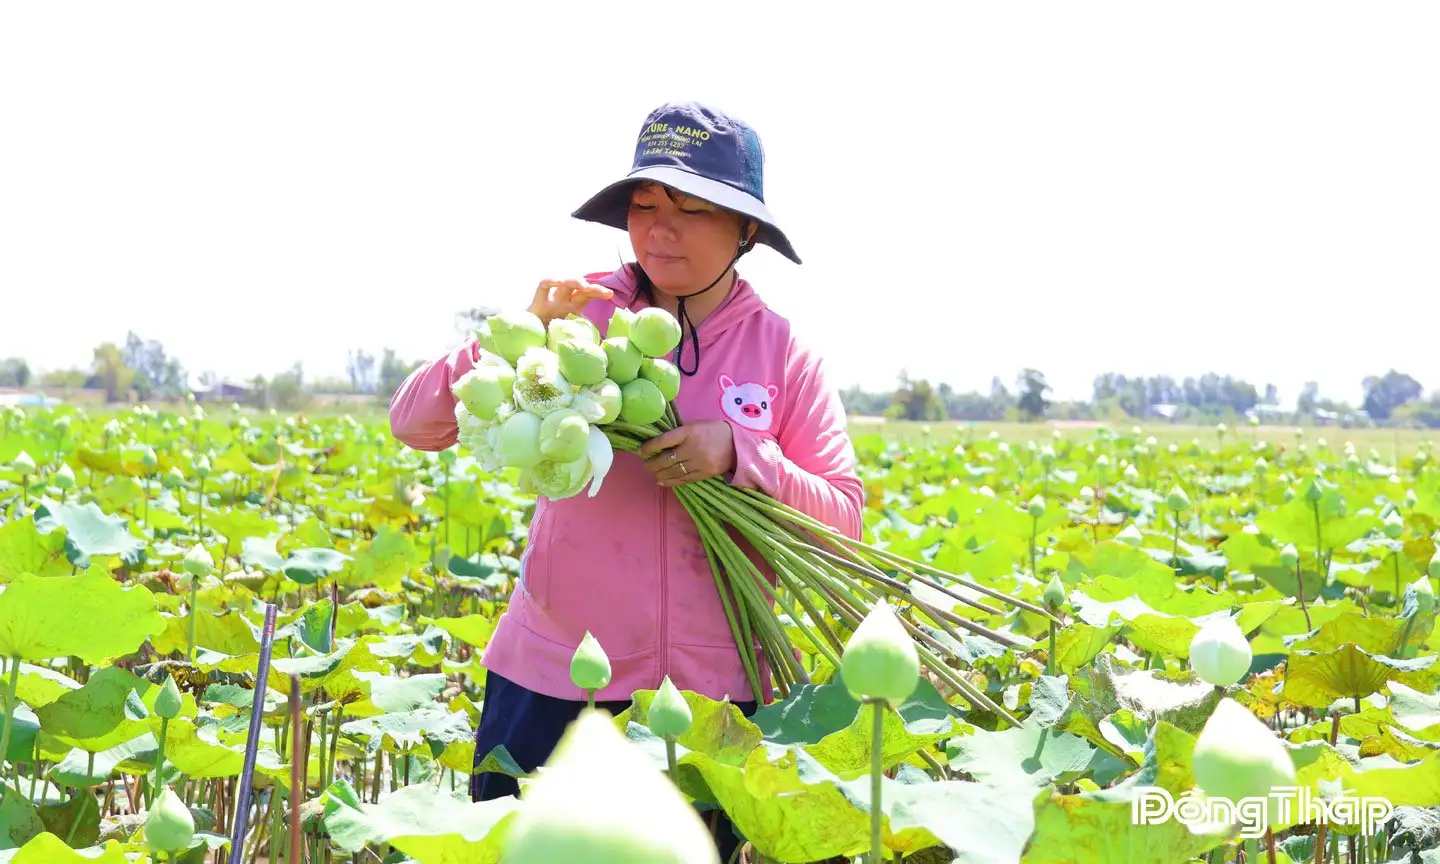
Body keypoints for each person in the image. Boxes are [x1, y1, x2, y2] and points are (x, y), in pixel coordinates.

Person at [388, 101, 863, 859]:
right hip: (552, 679)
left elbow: (843, 521)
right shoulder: (578, 316)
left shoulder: (783, 354)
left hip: (712, 701)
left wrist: (743, 455)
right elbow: (413, 424)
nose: (659, 228)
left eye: (692, 208)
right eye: (644, 206)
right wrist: (512, 336)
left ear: (746, 230)